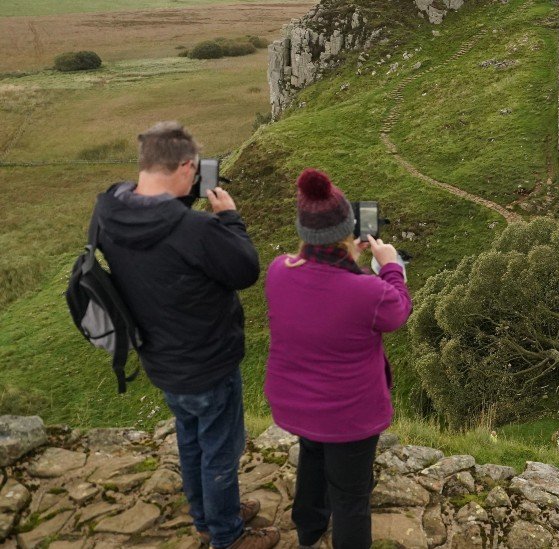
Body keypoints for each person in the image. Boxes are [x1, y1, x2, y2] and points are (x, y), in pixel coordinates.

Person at [91, 122, 273, 549]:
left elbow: (156, 232)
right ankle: (227, 535)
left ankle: (206, 517)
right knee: (220, 451)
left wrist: (183, 202)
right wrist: (229, 218)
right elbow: (245, 270)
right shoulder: (195, 230)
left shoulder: (109, 210)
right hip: (208, 361)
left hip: (159, 357)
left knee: (191, 440)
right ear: (188, 167)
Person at [264, 168, 412, 549]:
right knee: (350, 497)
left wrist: (347, 254)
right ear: (348, 229)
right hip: (350, 417)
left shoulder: (278, 272)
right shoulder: (368, 291)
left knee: (312, 462)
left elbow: (321, 286)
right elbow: (398, 311)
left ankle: (309, 533)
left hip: (301, 406)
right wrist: (391, 266)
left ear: (305, 231)